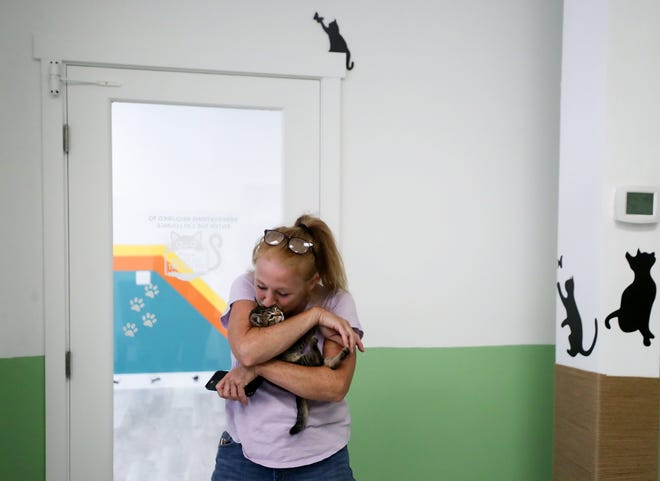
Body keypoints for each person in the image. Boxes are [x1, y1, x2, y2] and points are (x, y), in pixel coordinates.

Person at [211, 214, 364, 481]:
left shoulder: (338, 301)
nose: (268, 300)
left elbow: (334, 386)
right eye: (262, 287)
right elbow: (246, 350)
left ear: (312, 282)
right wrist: (313, 317)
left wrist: (258, 367)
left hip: (321, 462)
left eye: (282, 294)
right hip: (242, 456)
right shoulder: (244, 286)